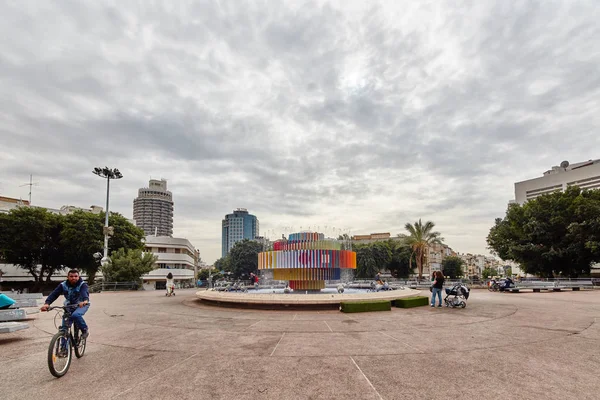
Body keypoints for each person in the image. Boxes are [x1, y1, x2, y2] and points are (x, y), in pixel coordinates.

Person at [40, 269, 90, 338]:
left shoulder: (82, 285)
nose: (73, 278)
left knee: (75, 315)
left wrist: (85, 300)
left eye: (76, 276)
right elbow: (54, 294)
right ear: (67, 277)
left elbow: (84, 293)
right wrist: (47, 303)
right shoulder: (63, 285)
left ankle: (84, 330)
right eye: (71, 276)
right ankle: (63, 347)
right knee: (64, 328)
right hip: (69, 306)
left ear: (79, 277)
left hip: (82, 305)